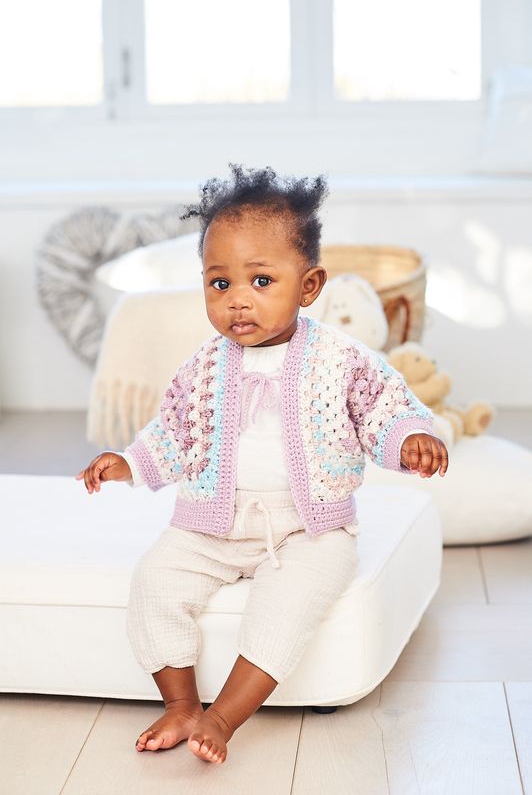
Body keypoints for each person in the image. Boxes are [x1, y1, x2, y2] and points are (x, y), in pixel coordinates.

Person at [76, 163, 448, 765]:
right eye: (219, 284)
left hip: (308, 526)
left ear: (308, 285)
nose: (238, 300)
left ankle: (222, 717)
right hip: (212, 524)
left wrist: (408, 438)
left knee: (291, 602)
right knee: (154, 582)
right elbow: (172, 432)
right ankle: (180, 705)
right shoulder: (203, 366)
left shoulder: (339, 359)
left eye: (261, 280)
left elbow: (382, 405)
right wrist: (128, 462)